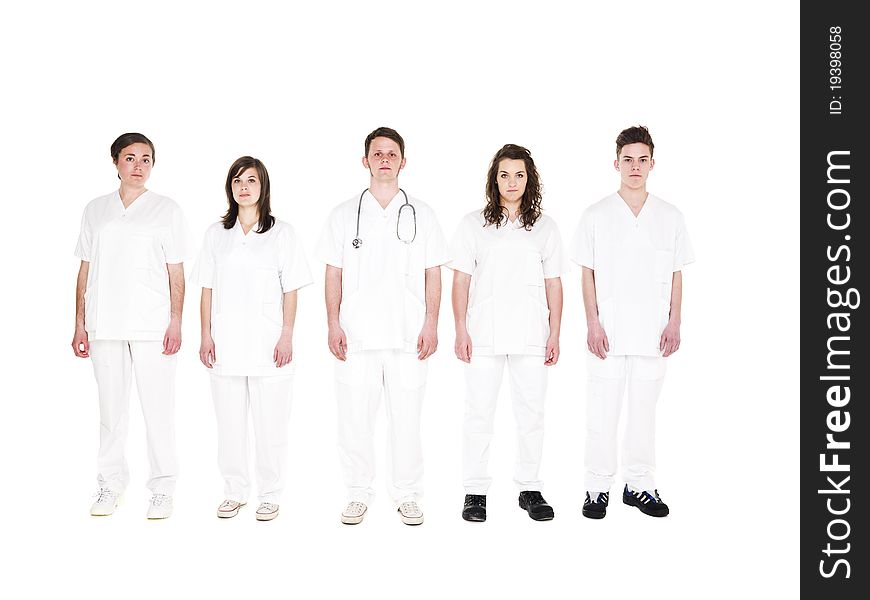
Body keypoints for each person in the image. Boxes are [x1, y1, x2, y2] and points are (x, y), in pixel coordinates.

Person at [316, 127, 448, 526]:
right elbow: (333, 273)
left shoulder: (422, 213)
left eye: (392, 153)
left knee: (407, 420)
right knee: (354, 419)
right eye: (378, 153)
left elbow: (433, 273)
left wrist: (431, 323)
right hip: (355, 336)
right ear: (366, 161)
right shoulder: (343, 214)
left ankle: (407, 493)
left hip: (409, 335)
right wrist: (333, 324)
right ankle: (358, 492)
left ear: (403, 161)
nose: (385, 159)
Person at [569, 125, 694, 519]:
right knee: (601, 413)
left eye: (642, 160)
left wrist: (675, 322)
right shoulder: (596, 215)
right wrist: (592, 322)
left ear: (652, 163)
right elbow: (586, 273)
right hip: (607, 332)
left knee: (645, 413)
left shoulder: (670, 217)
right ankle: (596, 488)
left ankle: (639, 485)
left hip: (653, 333)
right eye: (628, 159)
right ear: (616, 163)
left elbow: (675, 273)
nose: (635, 167)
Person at [72, 133, 192, 519]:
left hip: (152, 325)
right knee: (111, 412)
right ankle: (110, 485)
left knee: (158, 410)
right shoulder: (96, 210)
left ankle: (163, 487)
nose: (138, 165)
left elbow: (176, 270)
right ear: (115, 163)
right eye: (130, 158)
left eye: (145, 159)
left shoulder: (166, 210)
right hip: (104, 323)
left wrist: (176, 320)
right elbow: (85, 269)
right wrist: (79, 323)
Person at [449, 144, 564, 522]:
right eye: (504, 174)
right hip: (484, 333)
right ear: (493, 179)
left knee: (531, 413)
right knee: (478, 413)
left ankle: (530, 487)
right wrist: (460, 329)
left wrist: (555, 334)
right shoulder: (473, 224)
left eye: (518, 174)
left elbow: (554, 284)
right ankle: (475, 491)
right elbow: (461, 281)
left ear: (529, 179)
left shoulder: (544, 227)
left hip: (532, 332)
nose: (511, 182)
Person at [195, 156, 312, 522]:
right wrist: (205, 335)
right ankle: (234, 491)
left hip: (268, 344)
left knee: (271, 425)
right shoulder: (217, 234)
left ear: (263, 187)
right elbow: (207, 288)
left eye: (251, 180)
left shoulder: (282, 233)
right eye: (237, 181)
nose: (243, 187)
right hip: (226, 343)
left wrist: (287, 335)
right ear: (230, 188)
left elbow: (291, 289)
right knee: (229, 424)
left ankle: (270, 494)